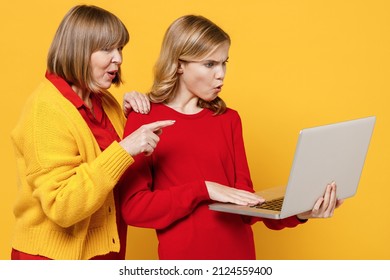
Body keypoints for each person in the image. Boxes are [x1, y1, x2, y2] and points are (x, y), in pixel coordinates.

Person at [120, 15, 342, 260]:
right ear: (179, 63)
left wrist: (301, 211)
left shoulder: (229, 120)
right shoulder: (144, 118)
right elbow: (134, 209)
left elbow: (245, 205)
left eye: (224, 63)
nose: (221, 74)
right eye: (210, 64)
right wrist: (204, 189)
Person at [10, 5, 174, 260]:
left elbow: (117, 172)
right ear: (78, 50)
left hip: (103, 253)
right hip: (55, 259)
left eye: (120, 49)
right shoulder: (44, 111)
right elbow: (62, 205)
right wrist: (125, 148)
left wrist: (131, 121)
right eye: (107, 49)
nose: (118, 58)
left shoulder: (105, 102)